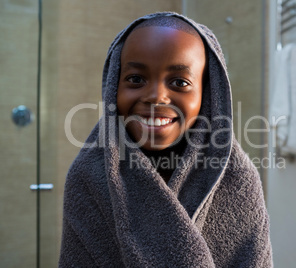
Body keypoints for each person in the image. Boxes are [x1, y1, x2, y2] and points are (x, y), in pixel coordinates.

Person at [59, 12, 273, 267]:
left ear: (207, 94)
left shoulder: (237, 179)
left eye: (180, 82)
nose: (156, 97)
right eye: (136, 79)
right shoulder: (88, 177)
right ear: (113, 85)